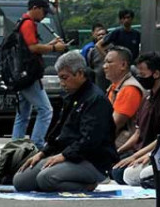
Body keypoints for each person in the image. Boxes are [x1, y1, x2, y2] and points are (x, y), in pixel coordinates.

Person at [13, 52, 118, 192]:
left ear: (80, 73)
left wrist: (63, 156)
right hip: (67, 155)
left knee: (46, 178)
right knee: (21, 181)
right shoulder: (70, 98)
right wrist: (42, 153)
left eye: (65, 78)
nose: (62, 83)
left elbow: (90, 140)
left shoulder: (96, 100)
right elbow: (59, 132)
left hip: (91, 160)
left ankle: (88, 185)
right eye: (60, 78)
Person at [112, 52, 160, 186]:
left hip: (155, 152)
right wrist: (118, 151)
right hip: (139, 150)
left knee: (122, 174)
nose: (140, 78)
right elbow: (138, 133)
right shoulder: (147, 98)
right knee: (112, 165)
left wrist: (135, 157)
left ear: (156, 74)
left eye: (143, 74)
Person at [11, 0, 66, 150]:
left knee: (22, 115)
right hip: (29, 76)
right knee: (46, 110)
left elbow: (30, 48)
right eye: (43, 11)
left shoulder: (22, 21)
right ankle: (37, 145)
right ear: (35, 8)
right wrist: (55, 47)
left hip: (21, 75)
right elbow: (33, 48)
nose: (44, 16)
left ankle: (15, 146)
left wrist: (50, 44)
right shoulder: (28, 23)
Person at [105, 46, 145, 151]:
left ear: (123, 65)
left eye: (109, 62)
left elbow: (113, 125)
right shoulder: (115, 86)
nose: (104, 66)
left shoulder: (130, 89)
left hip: (126, 147)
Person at [81, 23, 109, 92]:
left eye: (103, 34)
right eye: (99, 34)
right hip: (97, 77)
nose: (101, 36)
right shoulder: (89, 49)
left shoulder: (112, 46)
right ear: (93, 34)